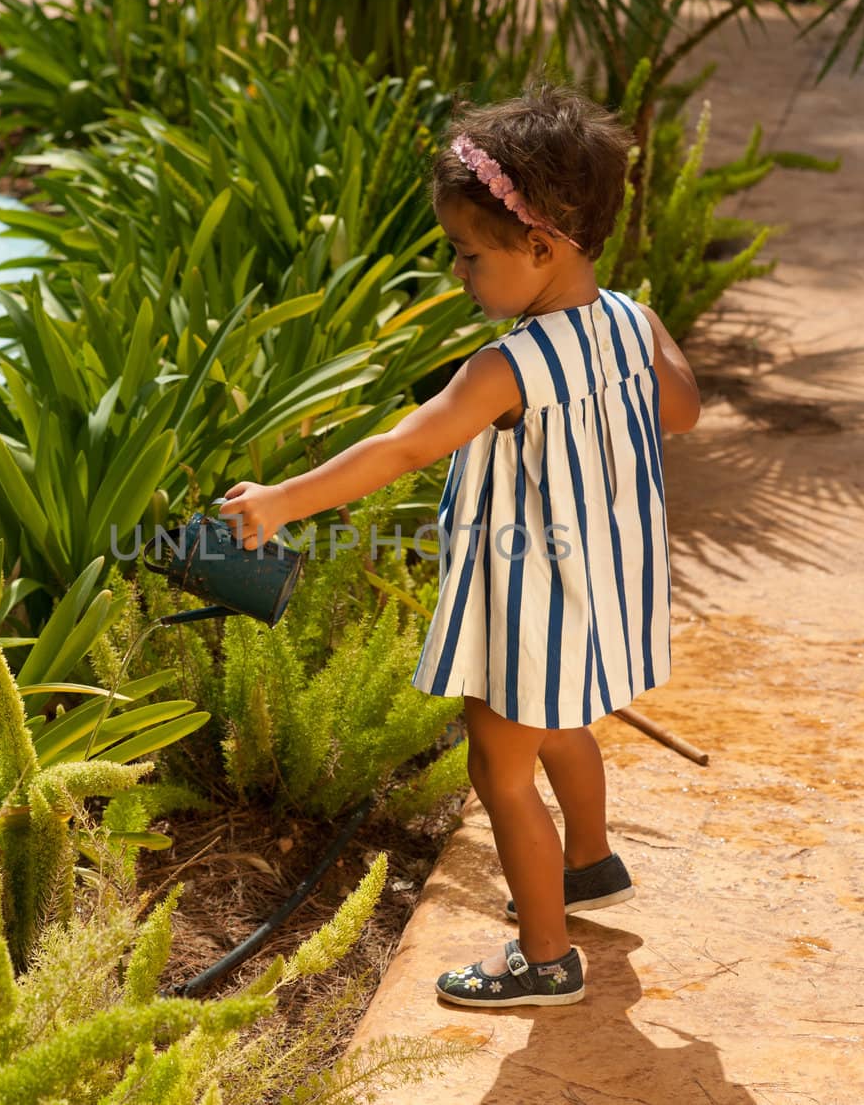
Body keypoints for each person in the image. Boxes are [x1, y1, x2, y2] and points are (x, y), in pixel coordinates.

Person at [218, 85, 701, 1008]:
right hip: (601, 584)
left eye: (469, 255)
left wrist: (282, 502)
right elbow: (681, 408)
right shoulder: (631, 322)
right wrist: (649, 333)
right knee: (566, 723)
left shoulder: (505, 367)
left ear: (540, 245)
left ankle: (546, 958)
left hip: (536, 596)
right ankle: (590, 863)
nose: (458, 273)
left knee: (498, 765)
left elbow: (402, 446)